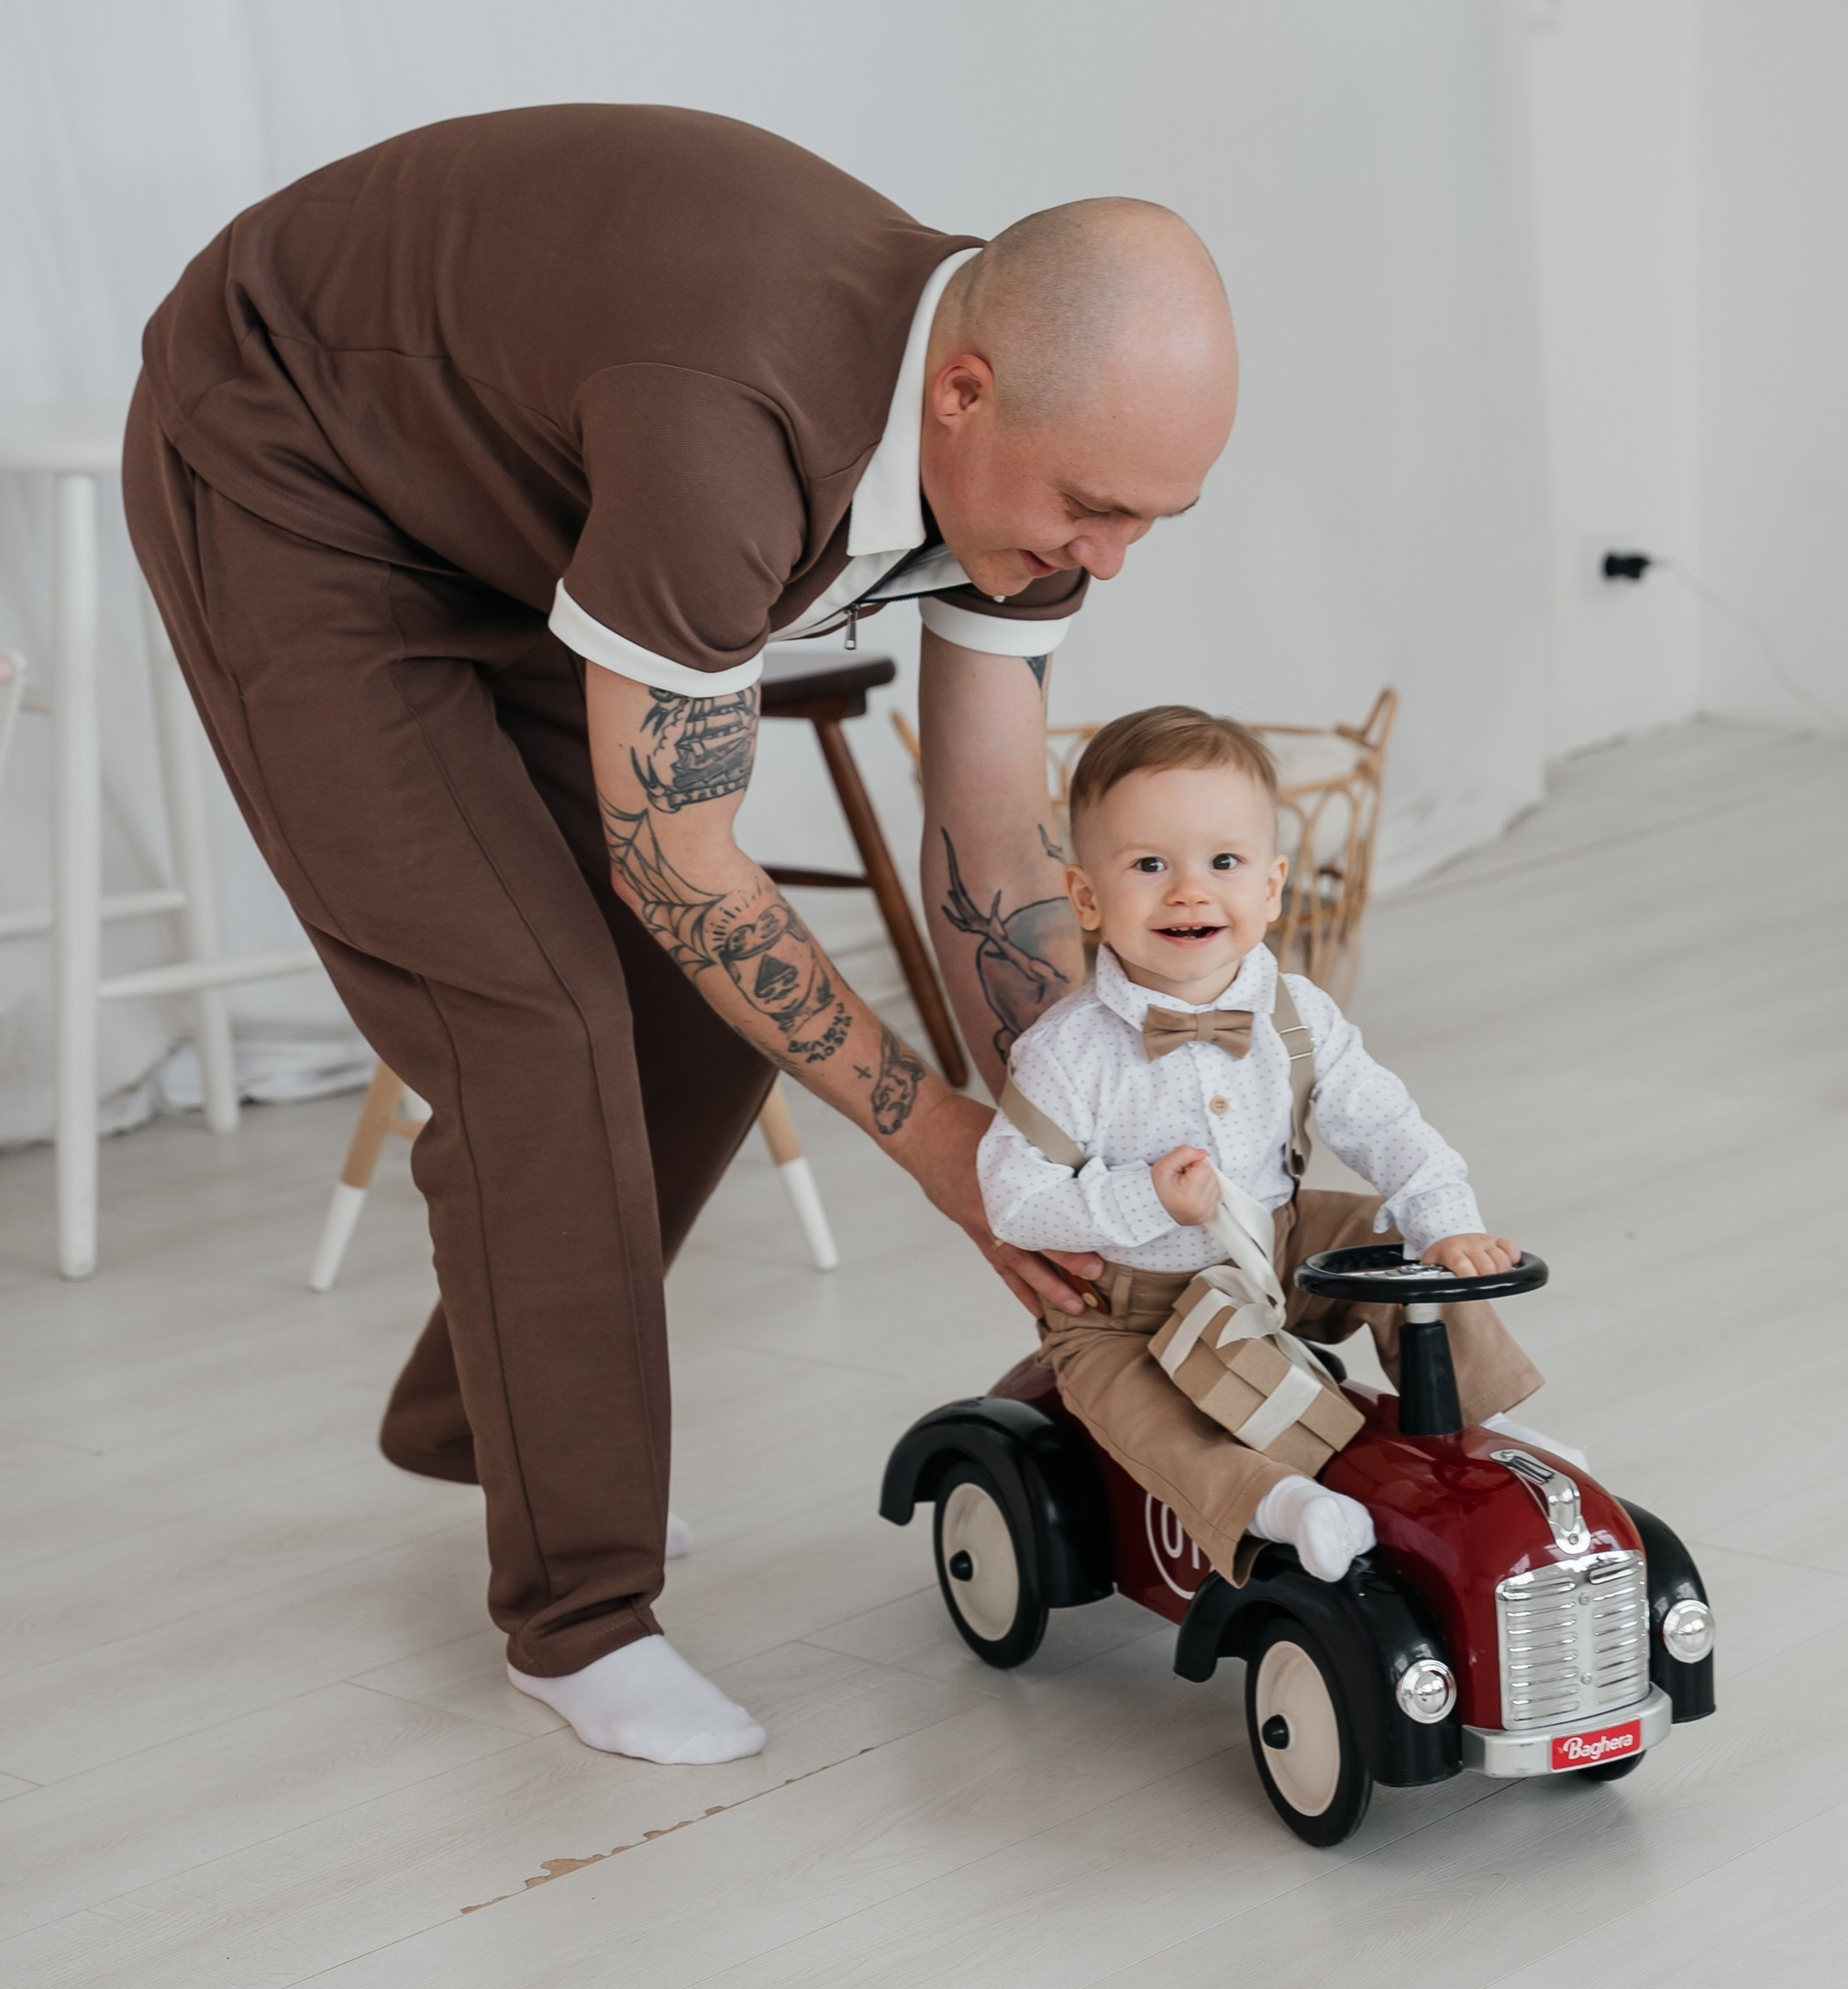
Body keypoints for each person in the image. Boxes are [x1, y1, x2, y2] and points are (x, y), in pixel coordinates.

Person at [124, 107, 1237, 1764]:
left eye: (1155, 520)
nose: (1110, 559)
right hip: (296, 467)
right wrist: (943, 1149)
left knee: (709, 1013)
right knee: (539, 1028)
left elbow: (991, 834)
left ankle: (475, 1413)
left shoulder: (1031, 458)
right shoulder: (739, 422)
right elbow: (683, 860)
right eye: (1096, 510)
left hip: (513, 507)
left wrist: (1076, 1144)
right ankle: (578, 1620)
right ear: (962, 394)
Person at [977, 705, 1551, 1585]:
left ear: (1273, 886)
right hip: (1126, 1307)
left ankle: (1484, 1432)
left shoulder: (1297, 1014)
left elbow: (1385, 1123)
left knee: (1392, 1241)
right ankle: (1275, 1502)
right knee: (1133, 1407)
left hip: (1275, 1253)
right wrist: (1142, 1198)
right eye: (1149, 865)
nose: (1189, 891)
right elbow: (1013, 1197)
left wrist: (1444, 1223)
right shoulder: (1069, 1051)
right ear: (1087, 895)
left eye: (1224, 863)